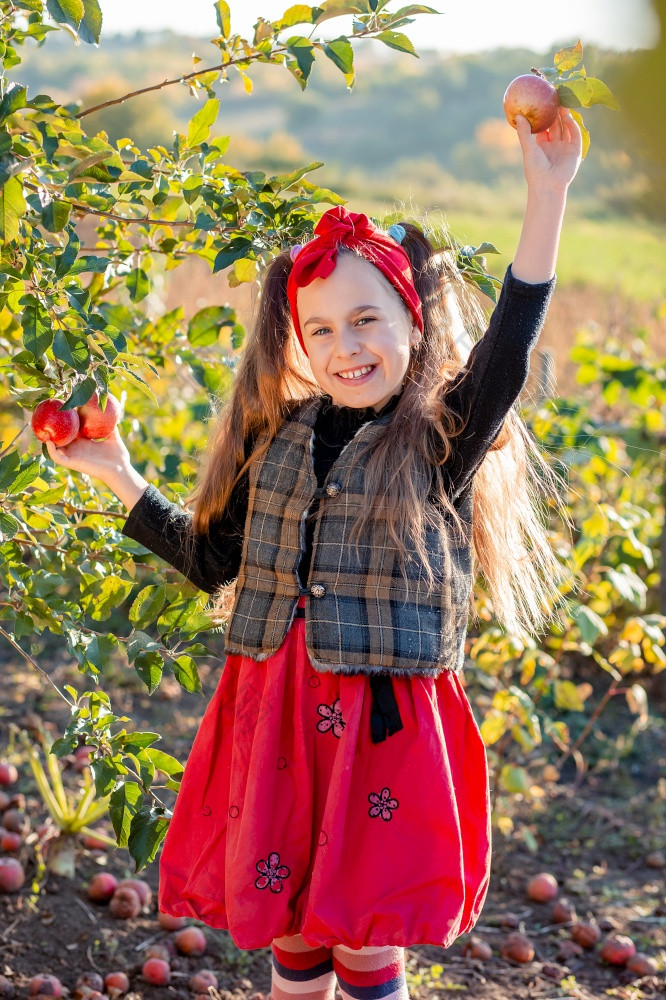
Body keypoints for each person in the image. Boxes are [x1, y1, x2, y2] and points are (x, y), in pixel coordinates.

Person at [46, 110, 582, 1000]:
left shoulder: (440, 438)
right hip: (275, 710)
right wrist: (118, 474)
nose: (346, 346)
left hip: (376, 729)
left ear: (412, 326)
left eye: (367, 319)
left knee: (365, 937)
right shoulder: (279, 437)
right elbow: (216, 560)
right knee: (292, 930)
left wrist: (546, 194)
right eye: (322, 329)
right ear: (298, 339)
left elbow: (507, 353)